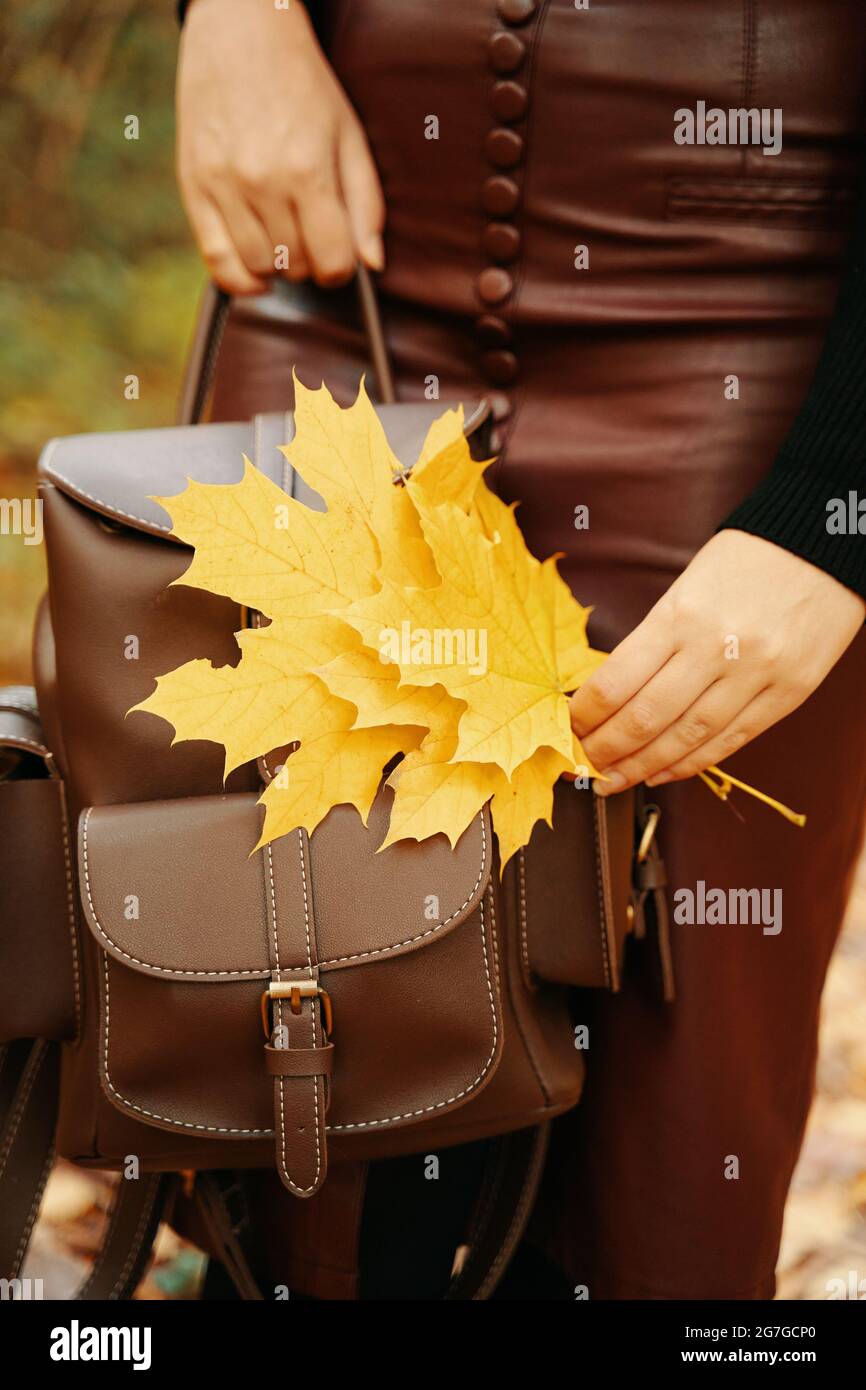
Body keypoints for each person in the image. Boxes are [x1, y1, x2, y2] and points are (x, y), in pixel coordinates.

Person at [175, 0, 866, 1299]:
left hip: (748, 315)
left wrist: (839, 503)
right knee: (290, 1115)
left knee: (666, 1172)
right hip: (339, 269)